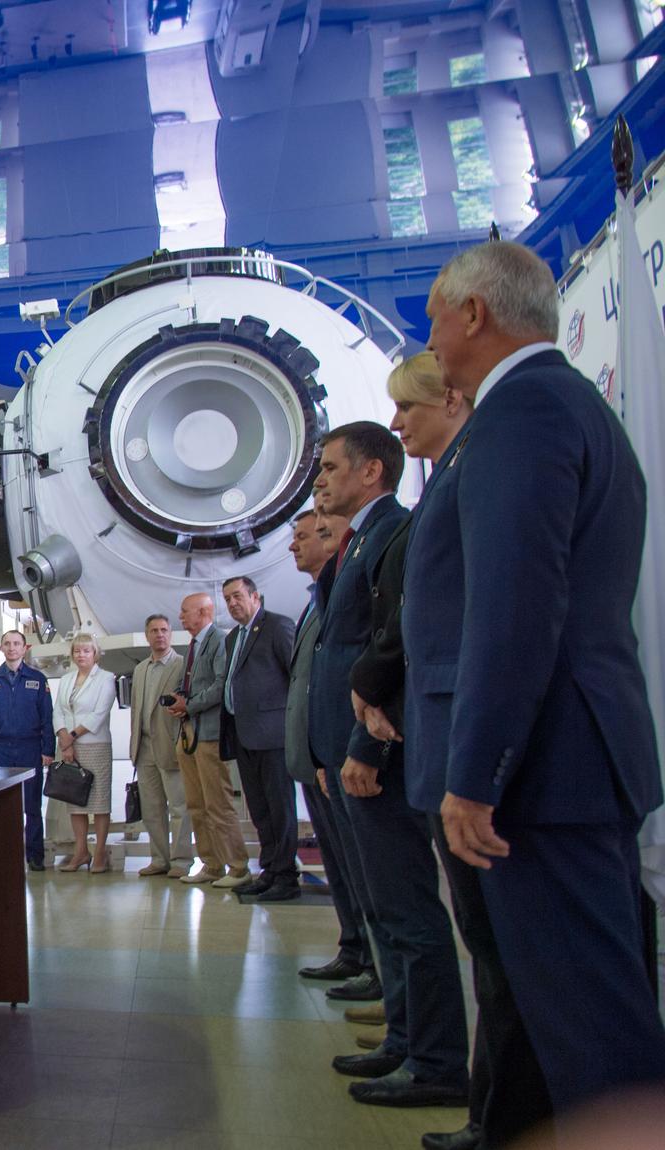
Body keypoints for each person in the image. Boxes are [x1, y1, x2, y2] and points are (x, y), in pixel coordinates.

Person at [411, 241, 665, 1142]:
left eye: (437, 316)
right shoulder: (560, 405)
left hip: (541, 773)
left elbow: (515, 608)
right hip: (559, 761)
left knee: (593, 1027)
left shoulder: (522, 412)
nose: (431, 337)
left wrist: (477, 774)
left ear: (475, 313)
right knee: (536, 1002)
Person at [309, 421, 469, 1108]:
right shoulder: (362, 541)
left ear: (371, 472)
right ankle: (405, 1042)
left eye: (330, 467)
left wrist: (365, 746)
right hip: (345, 753)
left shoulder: (395, 536)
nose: (319, 479)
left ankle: (435, 1062)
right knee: (387, 908)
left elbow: (392, 650)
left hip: (374, 755)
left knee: (407, 912)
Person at [285, 509, 376, 984]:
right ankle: (354, 948)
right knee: (341, 864)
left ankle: (374, 966)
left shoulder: (341, 599)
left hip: (344, 753)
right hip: (318, 756)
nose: (296, 545)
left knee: (363, 869)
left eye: (312, 535)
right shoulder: (315, 601)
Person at [218, 575, 299, 902]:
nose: (232, 603)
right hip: (244, 735)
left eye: (237, 596)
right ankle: (269, 870)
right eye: (227, 599)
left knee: (280, 808)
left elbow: (295, 677)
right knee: (259, 809)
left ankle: (287, 876)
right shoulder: (233, 637)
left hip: (273, 736)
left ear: (255, 596)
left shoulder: (277, 627)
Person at [169, 593, 251, 889]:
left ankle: (238, 866)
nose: (181, 617)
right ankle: (211, 863)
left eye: (184, 611)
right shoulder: (193, 645)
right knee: (196, 803)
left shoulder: (219, 641)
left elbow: (220, 685)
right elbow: (190, 682)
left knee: (218, 802)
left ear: (203, 612)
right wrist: (179, 698)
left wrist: (189, 705)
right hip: (189, 734)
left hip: (209, 734)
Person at [0, 629, 54, 871]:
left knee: (32, 805)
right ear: (1, 648)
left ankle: (35, 854)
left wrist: (48, 749)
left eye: (16, 643)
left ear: (25, 647)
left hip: (30, 748)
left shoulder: (38, 679)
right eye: (7, 644)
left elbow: (46, 717)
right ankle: (3, 852)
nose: (12, 648)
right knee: (0, 803)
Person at [128, 614, 194, 877]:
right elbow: (137, 709)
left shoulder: (181, 665)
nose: (159, 634)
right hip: (143, 748)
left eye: (164, 630)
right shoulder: (140, 669)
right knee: (152, 808)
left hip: (170, 744)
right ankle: (159, 859)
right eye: (154, 630)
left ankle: (180, 861)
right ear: (147, 635)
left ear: (171, 634)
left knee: (179, 806)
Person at [53, 633, 117, 872]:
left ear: (95, 653)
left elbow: (99, 714)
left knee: (99, 801)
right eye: (77, 651)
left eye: (86, 651)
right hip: (70, 747)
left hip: (95, 745)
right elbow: (57, 711)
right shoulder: (67, 678)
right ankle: (81, 852)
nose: (81, 655)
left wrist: (72, 736)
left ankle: (99, 853)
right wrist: (65, 741)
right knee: (75, 801)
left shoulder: (106, 678)